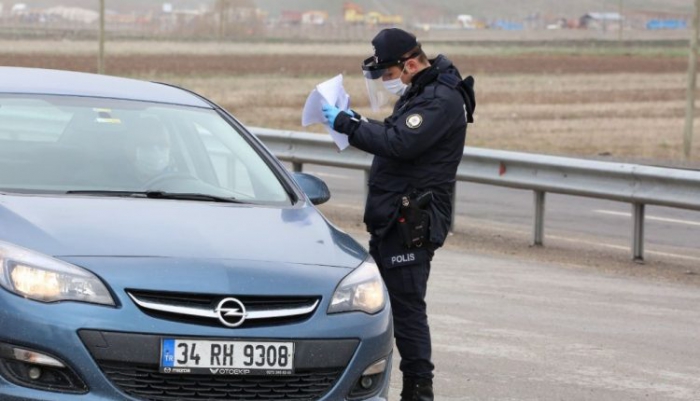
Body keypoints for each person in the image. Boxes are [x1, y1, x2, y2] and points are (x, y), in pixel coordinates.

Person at [321, 28, 475, 401]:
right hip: (396, 218)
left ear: (409, 64)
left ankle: (419, 390)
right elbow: (393, 131)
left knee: (406, 310)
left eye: (388, 75)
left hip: (413, 223)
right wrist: (355, 120)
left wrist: (347, 124)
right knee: (382, 307)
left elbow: (398, 143)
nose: (387, 82)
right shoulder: (420, 91)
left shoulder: (439, 99)